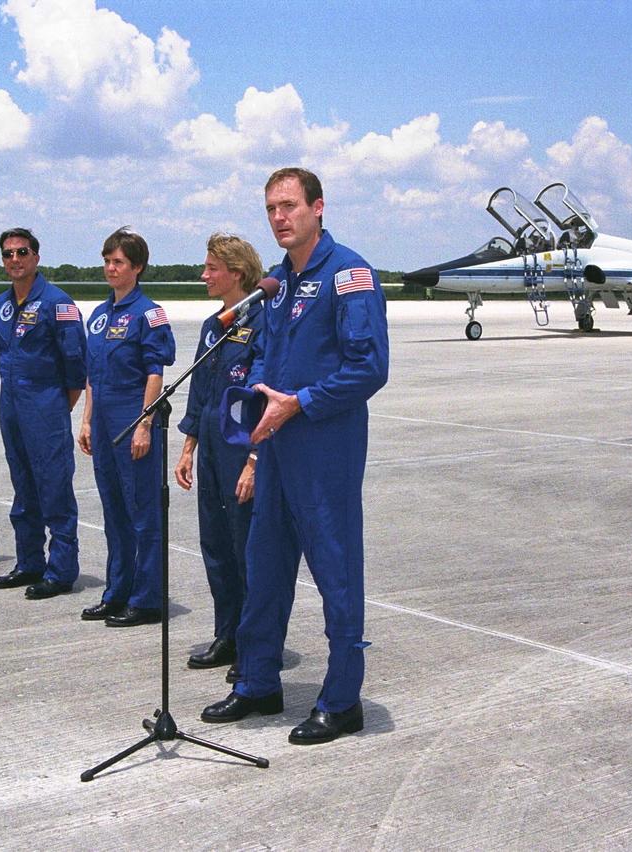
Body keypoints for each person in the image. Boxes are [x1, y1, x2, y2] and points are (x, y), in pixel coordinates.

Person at [200, 168, 389, 745]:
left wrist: (300, 403)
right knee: (264, 568)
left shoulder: (349, 275)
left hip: (324, 447)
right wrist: (259, 400)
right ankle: (259, 682)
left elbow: (368, 368)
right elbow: (267, 357)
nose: (280, 218)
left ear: (318, 207)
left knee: (335, 570)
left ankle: (341, 699)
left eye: (289, 206)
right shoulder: (276, 284)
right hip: (275, 447)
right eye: (271, 210)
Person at [174, 234, 265, 680]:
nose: (204, 275)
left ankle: (256, 643)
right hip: (210, 447)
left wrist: (254, 460)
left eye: (212, 268)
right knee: (216, 546)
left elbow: (265, 398)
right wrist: (188, 446)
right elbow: (201, 390)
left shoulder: (263, 322)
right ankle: (226, 634)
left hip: (241, 450)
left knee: (248, 548)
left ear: (238, 272)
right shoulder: (215, 325)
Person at [78, 228, 176, 627]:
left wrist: (144, 423)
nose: (110, 268)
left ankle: (148, 598)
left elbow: (155, 371)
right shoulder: (100, 316)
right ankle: (117, 591)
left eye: (118, 262)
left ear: (137, 267)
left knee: (143, 513)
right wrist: (85, 420)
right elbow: (91, 375)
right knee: (114, 513)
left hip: (131, 416)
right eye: (107, 261)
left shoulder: (148, 314)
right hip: (102, 421)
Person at [0, 228, 88, 600]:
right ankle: (29, 561)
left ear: (36, 257)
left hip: (46, 406)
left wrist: (60, 410)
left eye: (22, 252)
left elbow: (76, 366)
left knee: (54, 489)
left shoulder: (57, 303)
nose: (15, 259)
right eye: (8, 254)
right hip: (11, 406)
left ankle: (61, 571)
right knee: (23, 488)